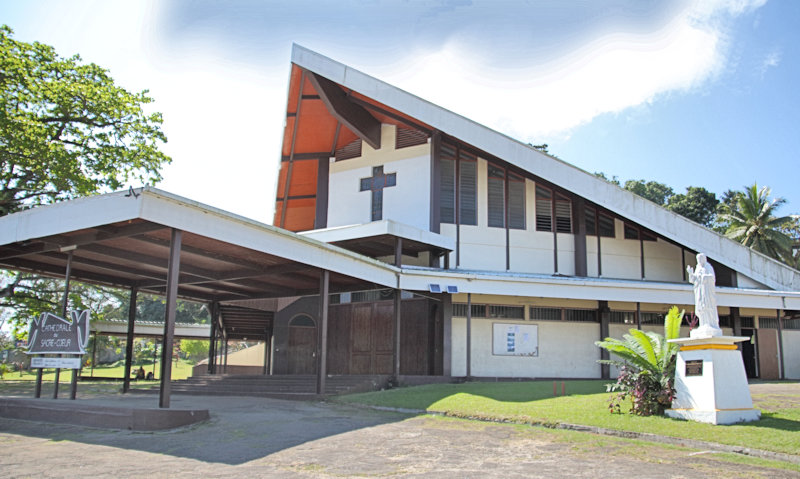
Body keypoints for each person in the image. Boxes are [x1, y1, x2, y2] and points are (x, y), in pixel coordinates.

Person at [686, 253, 722, 337]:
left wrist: (702, 277)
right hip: (700, 291)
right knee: (701, 307)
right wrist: (691, 274)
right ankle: (703, 323)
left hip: (707, 291)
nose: (699, 261)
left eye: (700, 259)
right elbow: (693, 280)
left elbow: (712, 278)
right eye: (698, 259)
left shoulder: (708, 267)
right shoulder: (698, 268)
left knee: (708, 306)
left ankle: (710, 323)